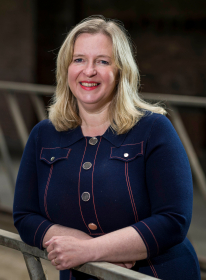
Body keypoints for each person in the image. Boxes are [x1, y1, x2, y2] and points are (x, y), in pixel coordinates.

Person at [13, 16, 201, 280]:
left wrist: (91, 250)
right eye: (79, 59)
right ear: (65, 68)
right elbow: (25, 215)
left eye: (102, 61)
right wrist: (83, 247)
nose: (89, 71)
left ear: (121, 71)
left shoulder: (154, 129)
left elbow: (173, 219)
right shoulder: (44, 134)